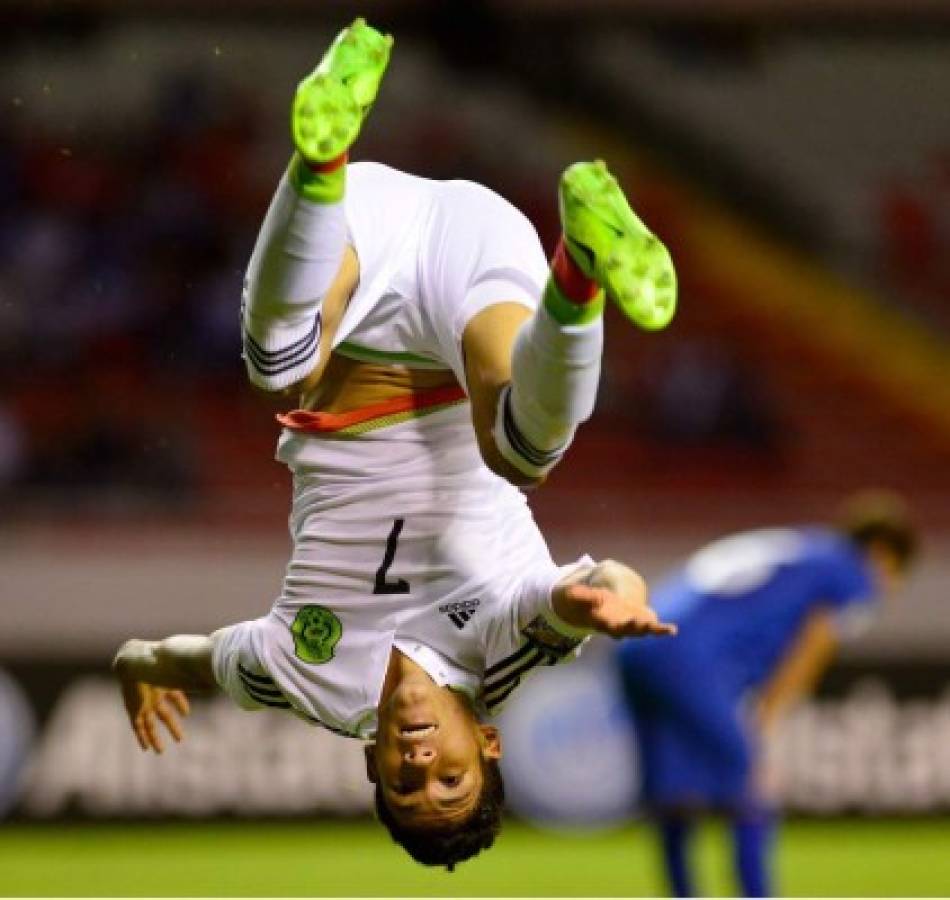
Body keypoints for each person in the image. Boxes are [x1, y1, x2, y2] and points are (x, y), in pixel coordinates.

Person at [113, 17, 678, 871]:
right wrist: (618, 597)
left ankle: (320, 157)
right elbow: (591, 589)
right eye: (448, 779)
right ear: (485, 741)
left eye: (404, 785)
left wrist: (135, 660)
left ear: (370, 766)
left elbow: (187, 659)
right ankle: (581, 271)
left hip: (361, 245)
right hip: (466, 278)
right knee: (520, 453)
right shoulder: (505, 648)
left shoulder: (304, 679)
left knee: (277, 366)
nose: (420, 764)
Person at [614, 492, 918, 897]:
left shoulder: (801, 549)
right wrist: (765, 725)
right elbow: (810, 649)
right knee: (750, 781)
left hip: (638, 643)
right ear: (881, 552)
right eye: (895, 572)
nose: (890, 587)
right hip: (688, 656)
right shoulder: (848, 569)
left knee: (675, 795)